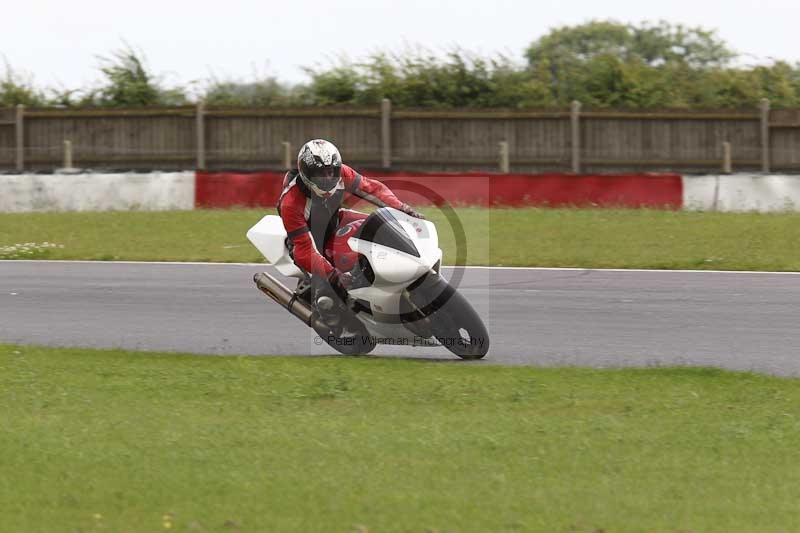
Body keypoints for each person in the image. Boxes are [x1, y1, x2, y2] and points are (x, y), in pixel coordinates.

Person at [277, 139, 424, 304]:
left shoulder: (342, 174)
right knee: (331, 292)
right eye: (320, 174)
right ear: (306, 174)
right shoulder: (290, 202)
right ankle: (345, 321)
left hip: (336, 220)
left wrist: (402, 207)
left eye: (331, 171)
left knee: (381, 223)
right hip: (308, 239)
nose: (327, 178)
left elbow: (372, 188)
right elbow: (303, 250)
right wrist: (333, 275)